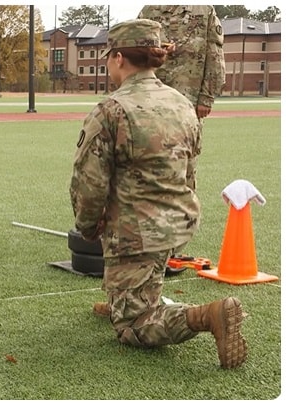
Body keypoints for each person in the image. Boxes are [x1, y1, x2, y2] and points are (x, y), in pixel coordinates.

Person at [69, 19, 247, 369]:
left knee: (133, 328)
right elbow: (190, 170)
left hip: (138, 233)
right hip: (179, 222)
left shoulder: (112, 110)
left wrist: (88, 226)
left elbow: (89, 183)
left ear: (119, 58)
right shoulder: (182, 104)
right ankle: (128, 295)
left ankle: (204, 316)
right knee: (138, 276)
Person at [137, 5, 226, 121]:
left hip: (188, 98)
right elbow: (136, 52)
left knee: (186, 137)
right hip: (152, 95)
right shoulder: (148, 11)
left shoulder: (204, 10)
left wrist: (206, 97)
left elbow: (215, 56)